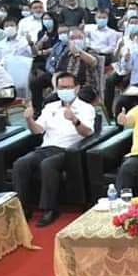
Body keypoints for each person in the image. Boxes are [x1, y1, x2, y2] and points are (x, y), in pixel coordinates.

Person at [15, 72, 96, 225]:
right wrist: (29, 119)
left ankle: (50, 209)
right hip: (46, 148)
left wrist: (75, 120)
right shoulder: (50, 107)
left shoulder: (86, 108)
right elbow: (37, 130)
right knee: (21, 163)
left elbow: (88, 132)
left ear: (77, 88)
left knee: (48, 165)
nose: (65, 90)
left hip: (68, 151)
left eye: (68, 87)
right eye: (61, 87)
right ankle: (23, 209)